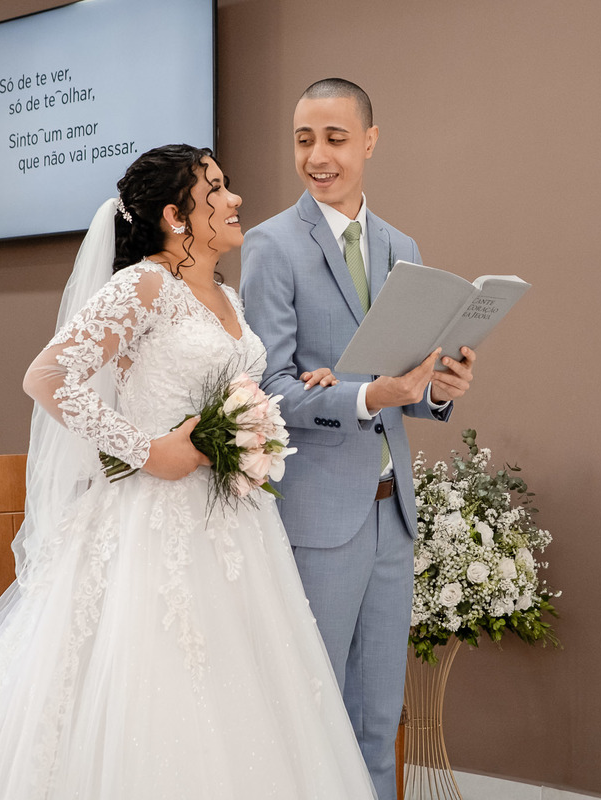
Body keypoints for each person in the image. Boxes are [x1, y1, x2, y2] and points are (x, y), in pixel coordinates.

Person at [0, 144, 375, 799]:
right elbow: (46, 377)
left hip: (235, 529)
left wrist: (285, 394)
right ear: (178, 216)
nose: (236, 199)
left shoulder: (228, 296)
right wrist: (149, 450)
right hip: (152, 528)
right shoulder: (145, 284)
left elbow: (232, 389)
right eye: (218, 188)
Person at [239, 79, 477, 800]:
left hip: (390, 513)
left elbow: (407, 379)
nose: (318, 156)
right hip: (317, 517)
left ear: (369, 141)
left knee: (379, 719)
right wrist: (371, 395)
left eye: (335, 139)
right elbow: (270, 391)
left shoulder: (402, 246)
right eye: (304, 139)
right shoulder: (271, 246)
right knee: (313, 717)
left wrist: (438, 389)